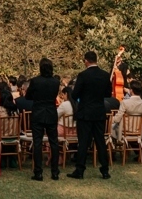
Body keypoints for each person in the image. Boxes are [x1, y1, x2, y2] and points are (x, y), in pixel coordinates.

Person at [68, 51, 112, 180]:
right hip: (99, 112)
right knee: (100, 141)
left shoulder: (83, 75)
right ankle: (105, 170)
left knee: (83, 142)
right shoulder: (105, 75)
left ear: (86, 61)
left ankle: (80, 170)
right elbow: (108, 93)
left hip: (85, 113)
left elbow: (75, 95)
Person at [26, 58, 60, 181]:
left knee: (37, 142)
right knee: (54, 143)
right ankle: (55, 171)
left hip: (38, 112)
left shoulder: (35, 81)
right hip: (51, 111)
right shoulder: (56, 82)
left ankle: (38, 172)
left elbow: (28, 96)